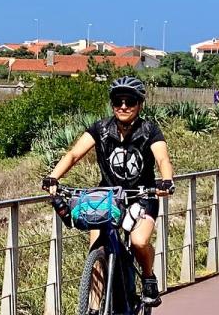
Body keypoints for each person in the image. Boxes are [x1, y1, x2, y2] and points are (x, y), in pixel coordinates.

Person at [41, 76, 174, 309]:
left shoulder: (149, 130)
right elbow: (73, 155)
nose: (123, 106)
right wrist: (54, 177)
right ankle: (92, 308)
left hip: (141, 196)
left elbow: (163, 158)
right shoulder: (101, 128)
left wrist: (166, 181)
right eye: (118, 101)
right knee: (97, 252)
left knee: (139, 241)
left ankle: (149, 277)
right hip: (108, 197)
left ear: (140, 104)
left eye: (130, 101)